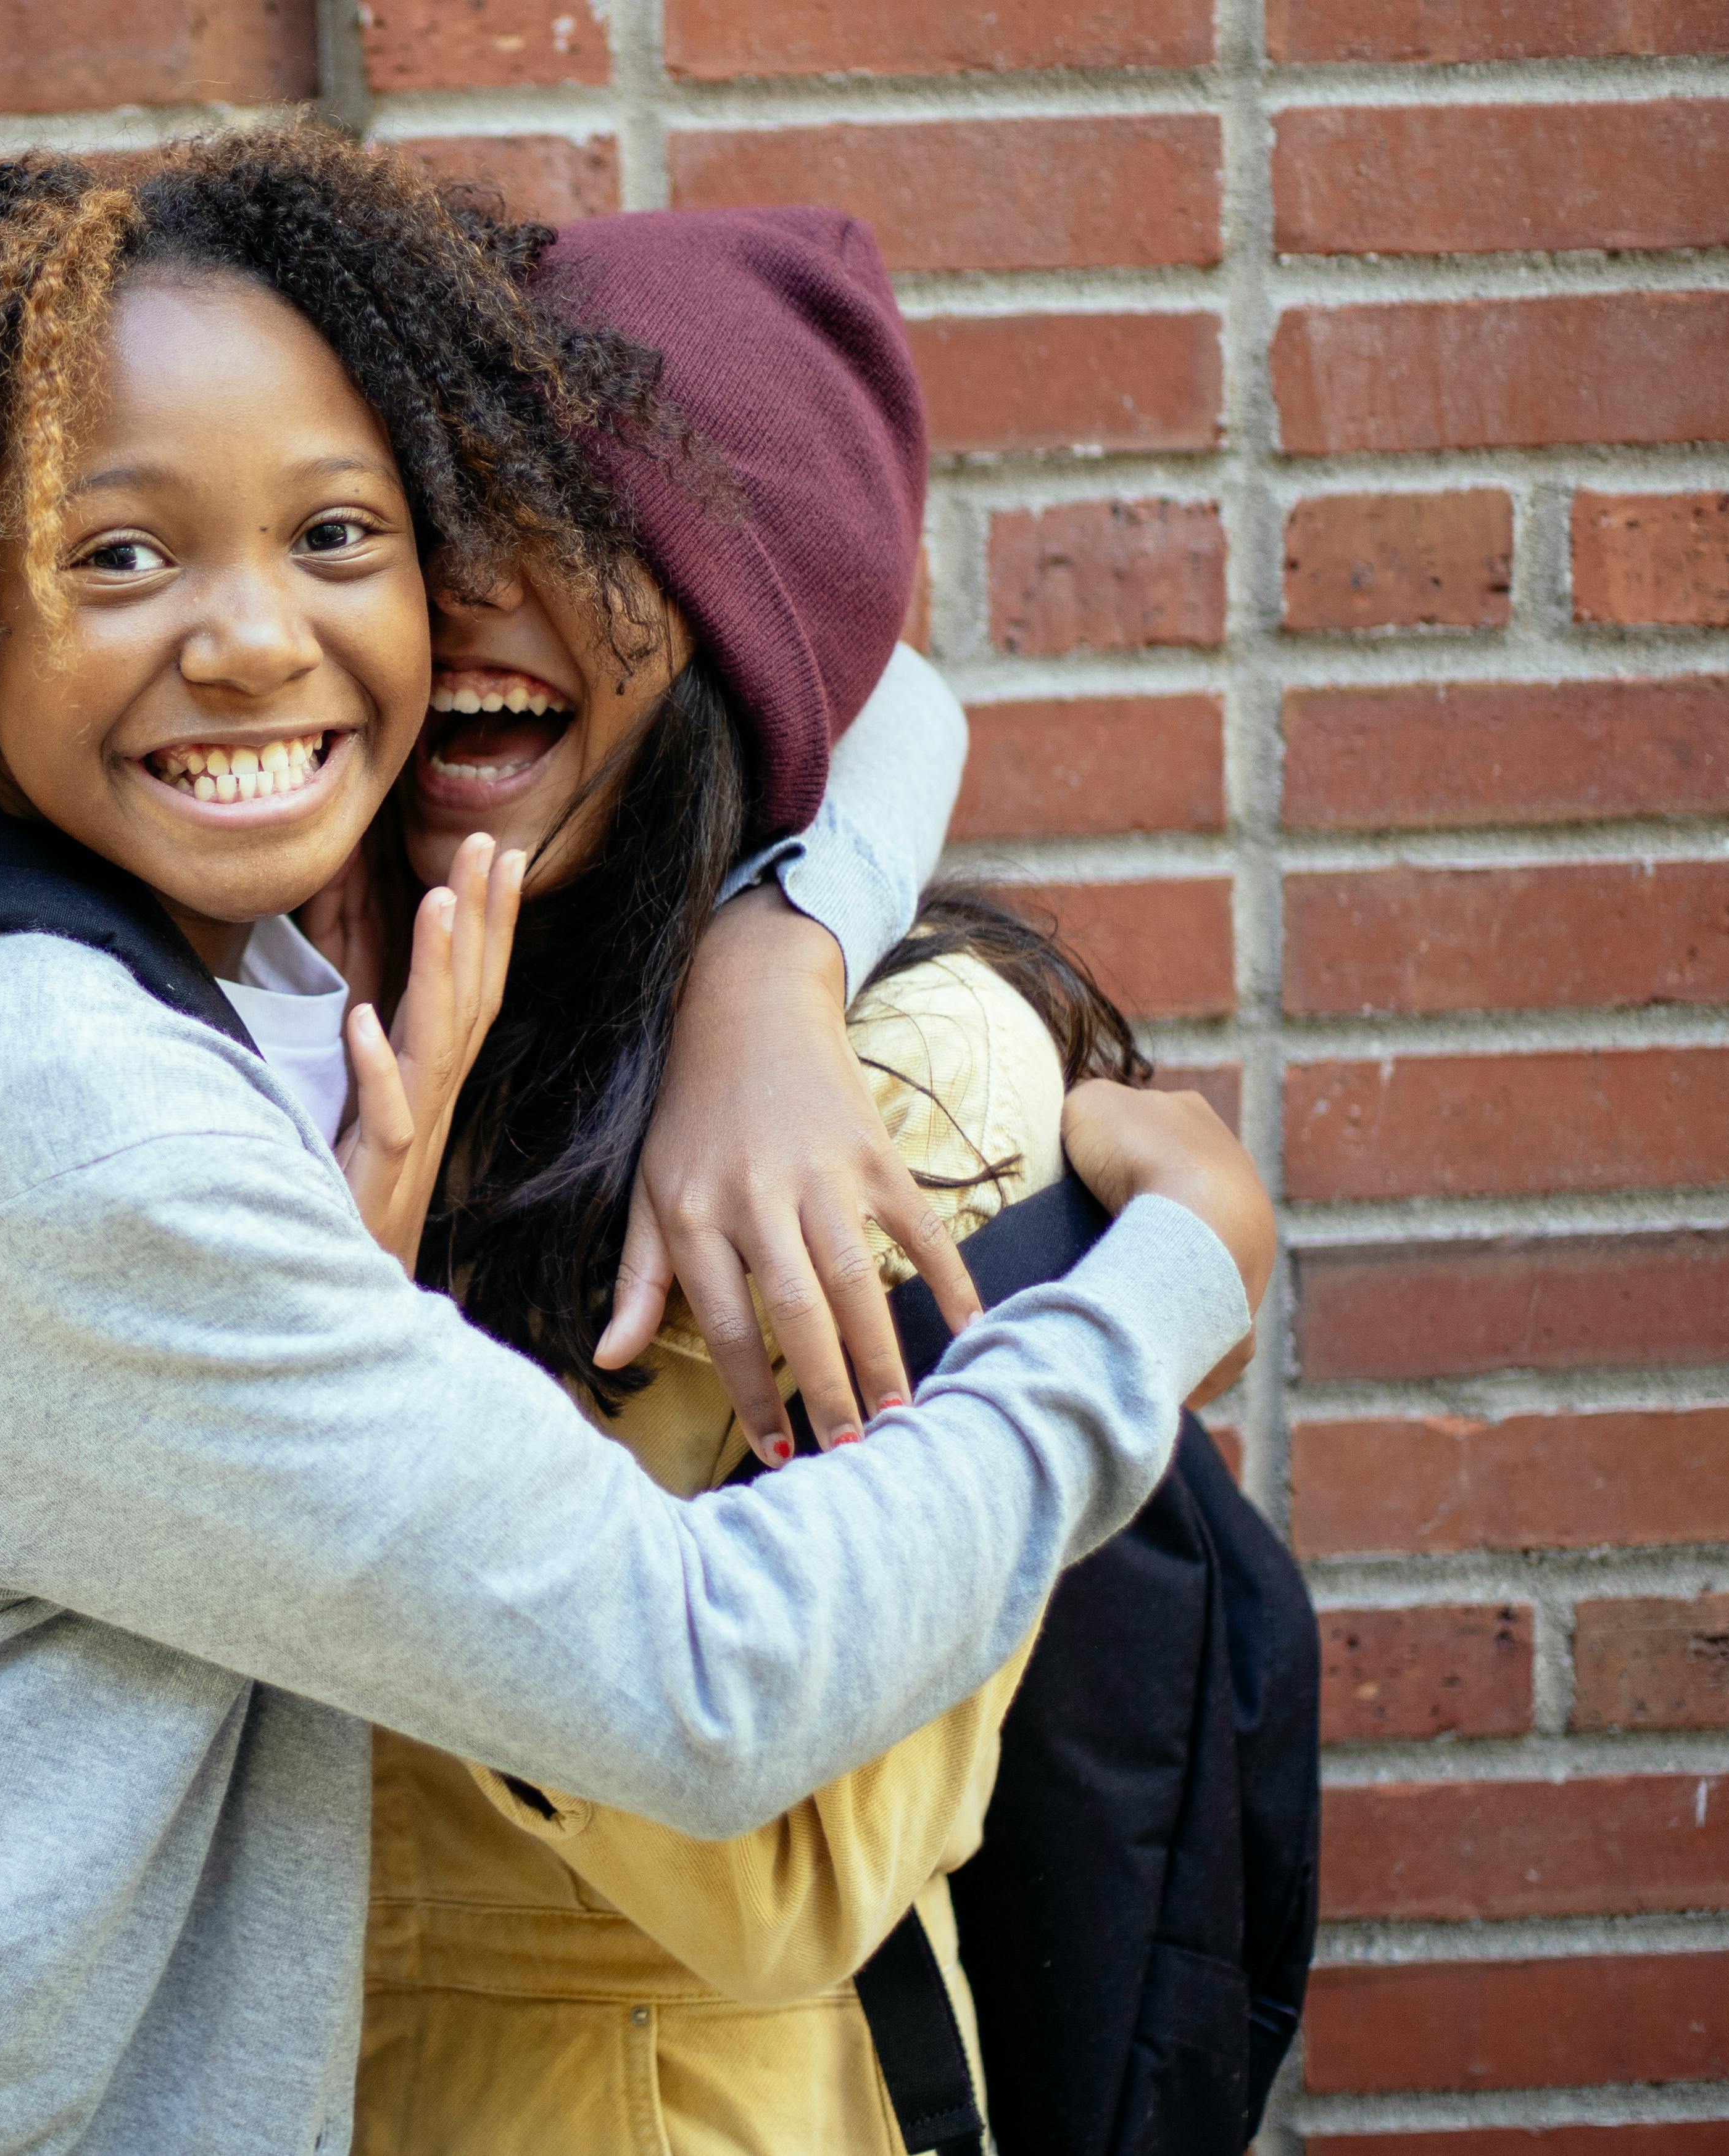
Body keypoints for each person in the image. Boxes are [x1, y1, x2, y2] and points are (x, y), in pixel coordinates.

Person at [0, 133, 1269, 2156]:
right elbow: (691, 1672)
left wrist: (777, 949)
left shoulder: (834, 1076)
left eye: (338, 533)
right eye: (124, 553)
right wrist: (1177, 1283)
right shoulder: (117, 1062)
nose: (358, 621)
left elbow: (860, 652)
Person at [350, 207, 1191, 2154]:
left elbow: (786, 1865)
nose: (468, 585)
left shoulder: (904, 1084)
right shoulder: (302, 1002)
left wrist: (373, 1356)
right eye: (410, 511)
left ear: (736, 605)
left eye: (572, 520)